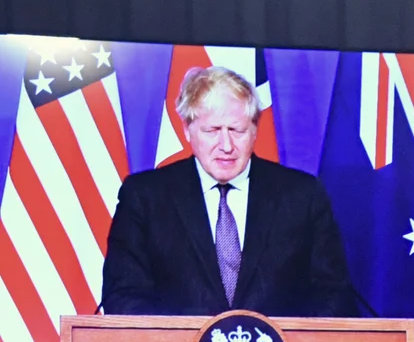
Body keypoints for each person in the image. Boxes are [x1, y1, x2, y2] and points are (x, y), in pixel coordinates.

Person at [101, 66, 361, 317]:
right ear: (187, 130)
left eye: (237, 130)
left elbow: (334, 296)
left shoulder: (302, 196)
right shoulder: (145, 198)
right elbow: (123, 297)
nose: (226, 146)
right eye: (212, 130)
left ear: (255, 131)